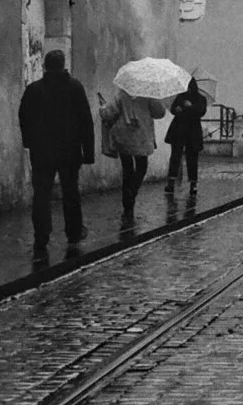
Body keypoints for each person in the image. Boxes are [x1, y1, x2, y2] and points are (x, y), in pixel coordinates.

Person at [19, 50, 95, 254]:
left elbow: (24, 118)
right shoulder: (75, 88)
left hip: (42, 151)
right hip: (69, 150)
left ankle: (41, 236)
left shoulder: (34, 90)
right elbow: (85, 121)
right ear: (63, 65)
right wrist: (88, 152)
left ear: (45, 66)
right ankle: (73, 231)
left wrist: (30, 142)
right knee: (71, 192)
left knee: (41, 194)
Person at [101, 87, 166, 220]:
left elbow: (109, 113)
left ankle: (127, 206)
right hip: (142, 136)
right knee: (142, 167)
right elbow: (160, 113)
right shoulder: (148, 94)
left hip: (124, 137)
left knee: (127, 168)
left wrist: (103, 108)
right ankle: (133, 191)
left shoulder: (121, 95)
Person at [164, 78, 207, 196]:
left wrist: (190, 107)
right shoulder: (180, 97)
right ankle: (171, 182)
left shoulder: (201, 99)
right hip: (179, 131)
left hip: (193, 132)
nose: (188, 89)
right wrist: (176, 109)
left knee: (192, 158)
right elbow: (173, 109)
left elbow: (201, 111)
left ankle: (193, 183)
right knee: (175, 157)